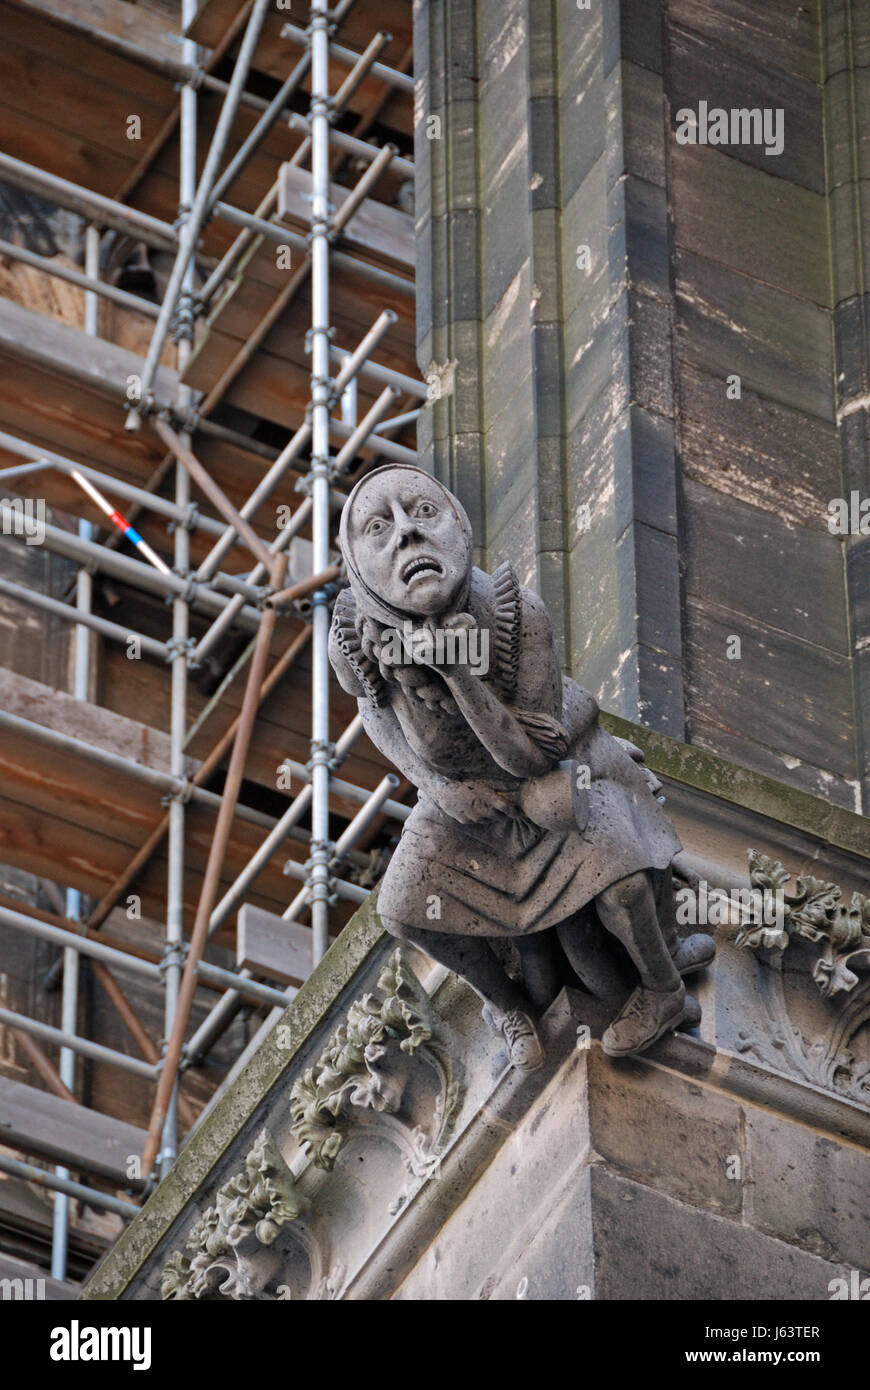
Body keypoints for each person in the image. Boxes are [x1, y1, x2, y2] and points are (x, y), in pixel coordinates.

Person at [328, 464, 714, 1069]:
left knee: (623, 885)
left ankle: (662, 989)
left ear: (457, 522)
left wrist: (459, 675)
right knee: (402, 907)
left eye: (422, 512)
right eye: (379, 527)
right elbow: (376, 714)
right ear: (356, 562)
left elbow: (534, 756)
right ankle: (508, 1006)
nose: (406, 534)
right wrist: (435, 786)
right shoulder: (358, 636)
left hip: (553, 776)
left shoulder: (513, 614)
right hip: (469, 804)